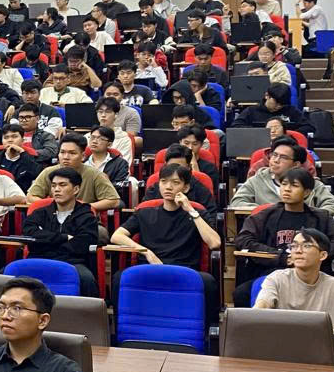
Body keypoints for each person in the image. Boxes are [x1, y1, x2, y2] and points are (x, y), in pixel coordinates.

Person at [111, 163, 223, 323]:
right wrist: (145, 252)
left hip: (183, 270)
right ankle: (119, 327)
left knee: (208, 282)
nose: (168, 187)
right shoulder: (145, 211)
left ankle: (209, 332)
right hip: (150, 268)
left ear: (186, 188)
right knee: (119, 278)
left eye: (175, 182)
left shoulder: (197, 213)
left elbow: (214, 243)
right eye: (164, 181)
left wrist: (191, 210)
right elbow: (117, 236)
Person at [234, 168, 334, 306]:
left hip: (311, 276)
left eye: (294, 185)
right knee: (241, 293)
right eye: (284, 184)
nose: (287, 189)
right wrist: (282, 257)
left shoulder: (321, 217)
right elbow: (243, 240)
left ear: (307, 192)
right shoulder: (265, 216)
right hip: (272, 272)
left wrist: (312, 254)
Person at [254, 227, 334, 361]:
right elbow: (263, 304)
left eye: (306, 246)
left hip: (322, 360)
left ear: (323, 255)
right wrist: (259, 310)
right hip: (280, 357)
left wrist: (332, 331)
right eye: (294, 246)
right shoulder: (276, 278)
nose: (298, 251)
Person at [22, 167, 101, 297]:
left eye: (62, 185)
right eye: (53, 186)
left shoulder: (86, 216)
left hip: (72, 263)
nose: (56, 189)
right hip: (39, 259)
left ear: (76, 189)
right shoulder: (40, 213)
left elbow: (82, 244)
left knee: (87, 279)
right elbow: (29, 234)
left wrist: (46, 242)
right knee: (4, 273)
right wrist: (63, 238)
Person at [232, 139, 334, 216]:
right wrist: (269, 211)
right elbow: (237, 202)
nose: (275, 160)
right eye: (274, 155)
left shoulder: (310, 183)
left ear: (296, 164)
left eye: (283, 157)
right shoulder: (257, 180)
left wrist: (306, 214)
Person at [26, 133, 121, 211]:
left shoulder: (94, 174)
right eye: (62, 152)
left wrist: (81, 208)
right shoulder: (48, 171)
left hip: (85, 220)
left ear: (83, 156)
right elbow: (31, 196)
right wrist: (56, 206)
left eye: (72, 153)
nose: (66, 157)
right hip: (54, 218)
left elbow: (113, 201)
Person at [233, 82, 309, 131]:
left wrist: (286, 133)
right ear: (267, 96)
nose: (278, 106)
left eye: (282, 104)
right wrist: (259, 131)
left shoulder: (291, 110)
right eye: (276, 103)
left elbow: (308, 126)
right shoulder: (251, 111)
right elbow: (236, 126)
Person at [0, 124, 44, 192]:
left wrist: (22, 152)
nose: (10, 140)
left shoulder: (30, 158)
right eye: (6, 137)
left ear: (23, 140)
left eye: (14, 137)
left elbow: (37, 174)